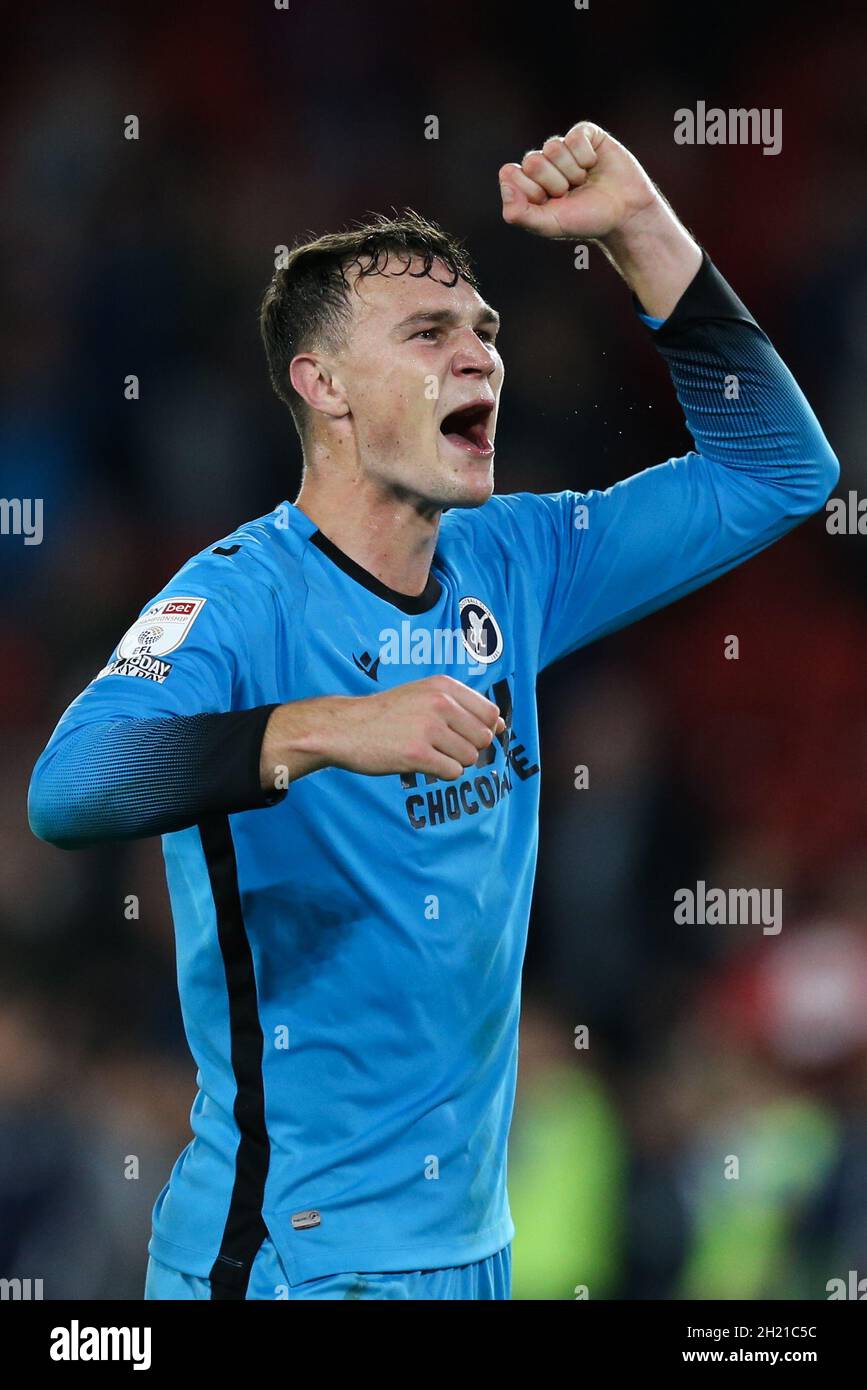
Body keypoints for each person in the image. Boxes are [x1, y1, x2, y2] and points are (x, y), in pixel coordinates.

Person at [28, 121, 839, 1300]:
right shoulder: (239, 599)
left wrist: (639, 230)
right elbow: (67, 789)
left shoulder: (515, 560)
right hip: (290, 1261)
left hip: (475, 1253)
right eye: (429, 333)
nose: (481, 359)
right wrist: (328, 727)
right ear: (324, 386)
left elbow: (779, 472)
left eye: (485, 332)